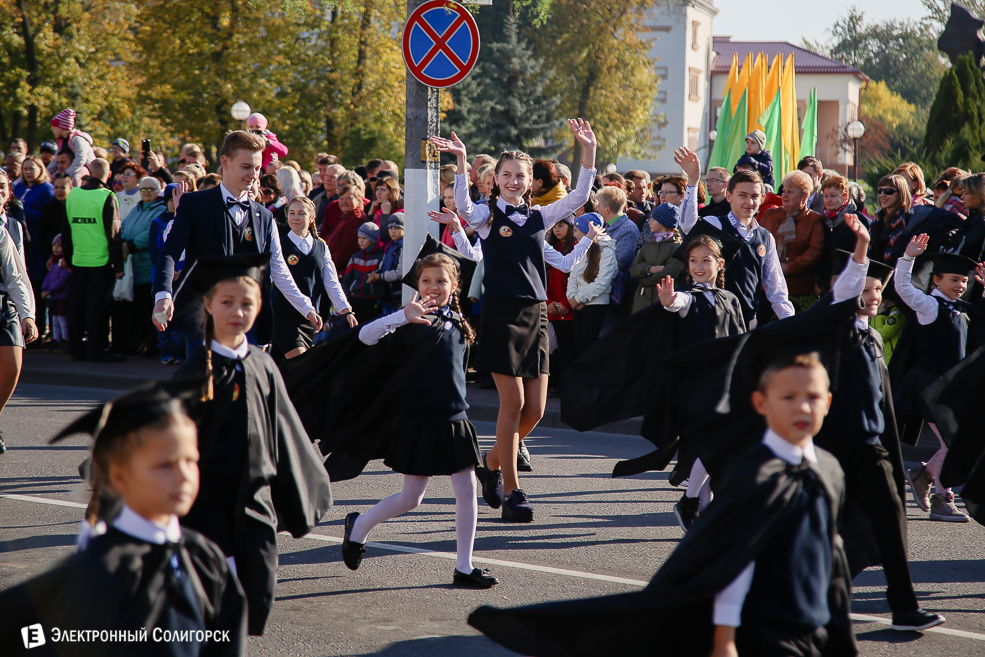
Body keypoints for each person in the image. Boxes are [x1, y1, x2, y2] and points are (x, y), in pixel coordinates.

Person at [469, 351, 856, 657]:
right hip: (764, 629)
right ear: (761, 403)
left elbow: (830, 555)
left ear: (829, 402)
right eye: (788, 397)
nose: (802, 407)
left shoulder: (830, 469)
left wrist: (840, 630)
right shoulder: (754, 474)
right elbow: (729, 561)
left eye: (812, 398)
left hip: (817, 626)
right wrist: (724, 639)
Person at [430, 119, 598, 523]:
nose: (513, 181)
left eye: (520, 176)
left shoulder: (540, 218)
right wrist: (462, 161)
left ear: (530, 182)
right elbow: (465, 209)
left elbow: (578, 195)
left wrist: (587, 152)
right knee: (514, 403)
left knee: (536, 410)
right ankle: (512, 489)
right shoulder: (486, 217)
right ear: (494, 181)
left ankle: (489, 464)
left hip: (536, 314)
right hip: (502, 313)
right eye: (505, 175)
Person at [0, 383, 248, 655]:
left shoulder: (205, 559)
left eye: (190, 460)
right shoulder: (96, 576)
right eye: (164, 465)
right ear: (119, 477)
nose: (183, 476)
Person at [175, 254, 333, 636]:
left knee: (256, 595)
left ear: (260, 305)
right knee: (214, 611)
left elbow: (286, 432)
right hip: (206, 506)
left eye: (246, 303)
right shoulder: (197, 372)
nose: (237, 311)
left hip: (255, 505)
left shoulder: (263, 366)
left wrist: (305, 488)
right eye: (226, 302)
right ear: (209, 306)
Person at [339, 251, 499, 589]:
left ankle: (464, 567)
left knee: (467, 488)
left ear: (454, 285)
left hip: (455, 418)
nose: (433, 286)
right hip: (420, 419)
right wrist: (400, 315)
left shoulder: (458, 321)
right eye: (426, 280)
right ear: (417, 284)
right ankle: (359, 526)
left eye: (441, 281)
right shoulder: (411, 321)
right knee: (412, 498)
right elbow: (366, 336)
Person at [818, 219, 946, 631]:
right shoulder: (833, 330)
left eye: (878, 290)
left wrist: (893, 451)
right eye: (866, 289)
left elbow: (881, 402)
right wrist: (862, 247)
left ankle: (903, 607)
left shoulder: (872, 339)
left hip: (871, 448)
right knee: (824, 528)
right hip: (833, 450)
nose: (874, 296)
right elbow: (845, 289)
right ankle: (802, 596)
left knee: (889, 524)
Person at [152, 131, 324, 357]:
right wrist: (163, 295)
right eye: (246, 166)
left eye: (257, 168)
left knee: (244, 386)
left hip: (248, 321)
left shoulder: (265, 216)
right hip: (204, 317)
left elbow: (278, 268)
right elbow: (170, 252)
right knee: (208, 385)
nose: (253, 175)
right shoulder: (194, 204)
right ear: (225, 162)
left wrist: (305, 307)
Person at [890, 236, 982, 522]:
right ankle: (942, 497)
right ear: (936, 281)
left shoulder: (964, 311)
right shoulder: (929, 306)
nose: (960, 286)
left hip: (949, 391)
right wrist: (908, 257)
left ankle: (924, 475)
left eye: (964, 281)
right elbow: (903, 287)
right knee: (951, 443)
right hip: (928, 386)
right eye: (954, 280)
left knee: (953, 442)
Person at [676, 146, 794, 327]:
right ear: (729, 196)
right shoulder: (715, 225)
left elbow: (776, 289)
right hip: (713, 320)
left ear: (762, 198)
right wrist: (693, 180)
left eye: (755, 196)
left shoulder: (764, 237)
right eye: (742, 195)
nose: (749, 202)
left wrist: (790, 322)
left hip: (748, 322)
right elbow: (686, 225)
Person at [274, 196, 355, 358]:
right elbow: (281, 279)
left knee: (282, 369)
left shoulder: (321, 246)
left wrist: (346, 310)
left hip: (312, 319)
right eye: (292, 213)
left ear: (312, 218)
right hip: (284, 316)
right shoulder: (279, 244)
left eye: (301, 213)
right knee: (300, 362)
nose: (295, 218)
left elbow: (331, 281)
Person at [61, 158, 125, 363]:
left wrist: (69, 259)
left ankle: (76, 350)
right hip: (100, 260)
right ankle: (97, 351)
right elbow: (113, 233)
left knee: (76, 306)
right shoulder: (107, 196)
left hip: (79, 259)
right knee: (95, 308)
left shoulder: (74, 194)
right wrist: (119, 265)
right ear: (106, 174)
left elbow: (66, 230)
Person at [0, 171, 38, 454]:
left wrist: (28, 314)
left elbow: (17, 274)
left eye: (1, 187)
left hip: (5, 303)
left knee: (11, 366)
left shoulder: (9, 228)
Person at [759, 170, 824, 314]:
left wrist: (789, 267)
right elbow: (758, 243)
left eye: (790, 192)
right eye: (784, 191)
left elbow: (814, 251)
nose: (784, 195)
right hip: (767, 286)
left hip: (798, 288)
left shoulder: (814, 220)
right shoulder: (770, 215)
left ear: (804, 195)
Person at [118, 176, 166, 355]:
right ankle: (136, 344)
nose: (146, 192)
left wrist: (129, 245)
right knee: (135, 310)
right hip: (133, 266)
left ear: (158, 191)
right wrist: (122, 241)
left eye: (150, 189)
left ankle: (151, 346)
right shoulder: (136, 208)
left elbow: (150, 234)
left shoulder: (160, 209)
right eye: (143, 189)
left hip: (147, 266)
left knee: (148, 310)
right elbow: (124, 227)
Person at [566, 213, 617, 352]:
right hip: (578, 306)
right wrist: (572, 296)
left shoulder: (606, 251)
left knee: (590, 349)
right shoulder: (579, 248)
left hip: (596, 306)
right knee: (579, 347)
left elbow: (602, 282)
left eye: (576, 231)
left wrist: (578, 298)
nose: (574, 235)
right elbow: (572, 275)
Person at [149, 184, 185, 365]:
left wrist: (181, 270)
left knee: (178, 315)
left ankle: (178, 351)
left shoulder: (189, 221)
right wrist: (168, 271)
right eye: (171, 199)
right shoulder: (158, 222)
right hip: (163, 277)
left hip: (182, 275)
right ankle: (166, 350)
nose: (174, 203)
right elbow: (157, 252)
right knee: (162, 313)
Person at [16, 155, 55, 317]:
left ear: (41, 169)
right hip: (19, 240)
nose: (28, 172)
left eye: (32, 168)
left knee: (36, 283)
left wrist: (22, 209)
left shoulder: (46, 189)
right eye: (25, 169)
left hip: (38, 242)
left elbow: (46, 218)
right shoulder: (18, 187)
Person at [629, 202, 684, 314]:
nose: (649, 222)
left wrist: (644, 277)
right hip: (642, 301)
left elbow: (669, 274)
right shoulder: (648, 244)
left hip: (662, 303)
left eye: (653, 219)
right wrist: (651, 269)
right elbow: (633, 269)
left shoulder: (677, 248)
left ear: (662, 223)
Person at [816, 174, 863, 294]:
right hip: (824, 284)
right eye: (825, 196)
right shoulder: (821, 220)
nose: (828, 200)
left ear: (845, 196)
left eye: (833, 196)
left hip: (847, 285)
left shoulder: (856, 220)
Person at [341, 222, 385, 324]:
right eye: (359, 238)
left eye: (364, 238)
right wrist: (347, 296)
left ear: (373, 240)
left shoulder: (380, 257)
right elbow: (347, 279)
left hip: (371, 301)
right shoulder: (355, 257)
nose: (360, 241)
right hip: (354, 299)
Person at [868, 174, 913, 267]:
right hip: (872, 274)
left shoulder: (908, 221)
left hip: (894, 274)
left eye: (888, 191)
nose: (882, 195)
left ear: (900, 193)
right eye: (880, 191)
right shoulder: (877, 219)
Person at [45, 109, 96, 183]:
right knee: (49, 179)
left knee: (76, 179)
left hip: (84, 167)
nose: (53, 131)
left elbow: (81, 158)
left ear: (62, 128)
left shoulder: (78, 139)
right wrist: (45, 173)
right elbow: (56, 160)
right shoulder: (62, 141)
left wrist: (67, 173)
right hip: (70, 167)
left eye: (55, 128)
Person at [42, 235, 70, 352]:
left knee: (63, 321)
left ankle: (66, 340)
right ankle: (56, 340)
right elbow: (49, 277)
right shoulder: (53, 261)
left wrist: (50, 289)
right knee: (55, 321)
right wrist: (45, 288)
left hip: (62, 297)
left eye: (59, 246)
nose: (56, 248)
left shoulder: (63, 263)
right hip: (54, 296)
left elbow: (63, 279)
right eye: (55, 245)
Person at [374, 212, 404, 315]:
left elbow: (400, 273)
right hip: (387, 294)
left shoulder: (403, 247)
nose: (393, 231)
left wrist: (380, 277)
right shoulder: (391, 245)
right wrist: (375, 274)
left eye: (396, 228)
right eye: (390, 228)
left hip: (398, 295)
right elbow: (382, 264)